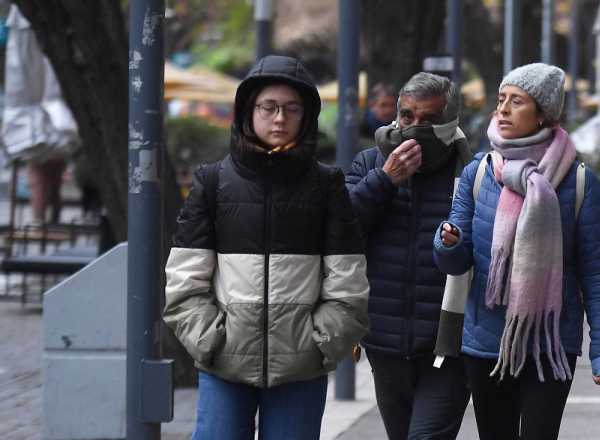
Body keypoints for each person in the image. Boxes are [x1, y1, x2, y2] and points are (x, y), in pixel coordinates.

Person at [163, 55, 370, 439]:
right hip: (225, 364)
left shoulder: (326, 186)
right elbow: (184, 281)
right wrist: (211, 340)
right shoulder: (212, 182)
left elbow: (348, 282)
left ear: (306, 115)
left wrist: (319, 344)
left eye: (292, 109)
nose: (279, 118)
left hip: (301, 368)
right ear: (248, 111)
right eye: (268, 107)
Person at [433, 63, 600, 440]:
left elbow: (597, 273)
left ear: (543, 114)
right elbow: (455, 261)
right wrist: (447, 241)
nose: (502, 109)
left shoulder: (579, 182)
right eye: (501, 99)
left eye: (516, 101)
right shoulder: (480, 173)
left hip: (551, 345)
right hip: (486, 345)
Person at [346, 72, 472, 440]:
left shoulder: (470, 171)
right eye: (407, 117)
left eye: (429, 120)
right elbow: (342, 229)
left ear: (449, 123)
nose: (416, 128)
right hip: (385, 341)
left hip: (448, 345)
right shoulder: (370, 163)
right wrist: (385, 179)